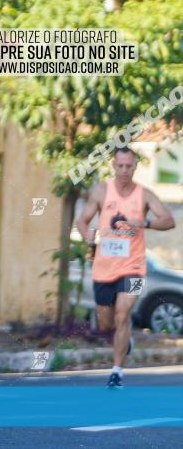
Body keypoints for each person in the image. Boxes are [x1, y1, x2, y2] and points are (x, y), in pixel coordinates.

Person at [75, 147, 175, 388]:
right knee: (106, 323)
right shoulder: (101, 192)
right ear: (113, 166)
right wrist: (88, 234)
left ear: (135, 167)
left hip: (135, 267)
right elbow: (82, 220)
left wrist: (145, 222)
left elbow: (169, 220)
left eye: (128, 166)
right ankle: (126, 341)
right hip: (104, 268)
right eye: (120, 166)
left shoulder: (144, 195)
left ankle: (117, 371)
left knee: (123, 314)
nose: (124, 171)